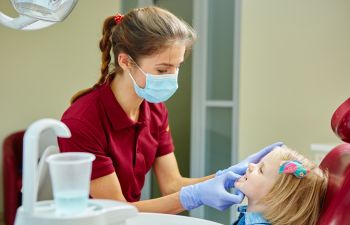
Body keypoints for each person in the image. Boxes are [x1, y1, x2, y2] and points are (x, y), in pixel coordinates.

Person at [58, 6, 282, 214]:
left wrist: (228, 175)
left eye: (177, 66)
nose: (172, 77)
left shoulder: (154, 110)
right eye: (163, 68)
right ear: (125, 61)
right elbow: (116, 210)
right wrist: (193, 197)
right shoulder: (83, 122)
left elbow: (172, 184)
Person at [233, 146, 328, 225]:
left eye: (260, 170)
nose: (250, 165)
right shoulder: (251, 218)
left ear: (274, 198)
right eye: (258, 163)